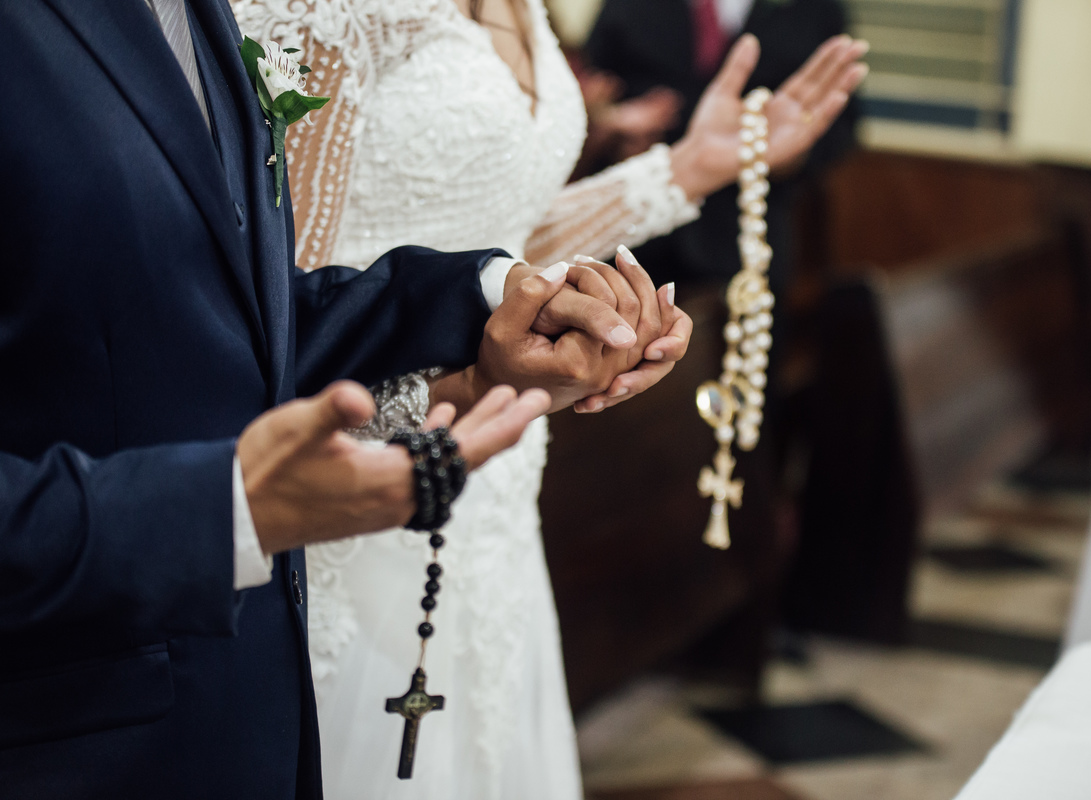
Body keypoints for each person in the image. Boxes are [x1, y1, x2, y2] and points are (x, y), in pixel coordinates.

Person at [0, 1, 689, 798]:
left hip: (243, 688)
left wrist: (501, 300)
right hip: (70, 718)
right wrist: (227, 510)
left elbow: (247, 309)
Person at [234, 1, 867, 797]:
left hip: (498, 471)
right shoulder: (326, 11)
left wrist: (688, 167)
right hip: (358, 467)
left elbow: (500, 230)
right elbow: (275, 295)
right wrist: (444, 389)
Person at [586, 0, 860, 294]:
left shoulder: (816, 9)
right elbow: (596, 88)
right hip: (633, 236)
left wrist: (790, 155)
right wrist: (613, 128)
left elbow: (843, 125)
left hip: (746, 236)